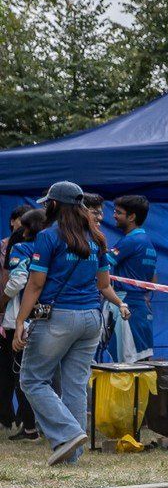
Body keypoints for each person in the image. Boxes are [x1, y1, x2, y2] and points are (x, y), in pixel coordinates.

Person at [10, 182, 115, 465]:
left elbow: (35, 284)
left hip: (58, 317)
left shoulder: (48, 237)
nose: (45, 207)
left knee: (32, 379)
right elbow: (103, 283)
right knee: (75, 386)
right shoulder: (97, 238)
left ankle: (68, 434)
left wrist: (20, 321)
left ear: (55, 205)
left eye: (47, 203)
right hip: (92, 318)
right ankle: (72, 455)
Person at [3, 207, 45, 440]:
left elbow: (17, 281)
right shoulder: (51, 247)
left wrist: (2, 301)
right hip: (46, 317)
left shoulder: (21, 247)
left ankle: (30, 428)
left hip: (22, 318)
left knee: (23, 375)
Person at [110, 195, 158, 360]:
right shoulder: (148, 243)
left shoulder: (130, 241)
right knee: (140, 360)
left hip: (127, 307)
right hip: (142, 307)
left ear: (132, 217)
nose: (114, 216)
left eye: (118, 212)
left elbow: (101, 265)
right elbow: (154, 279)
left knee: (126, 365)